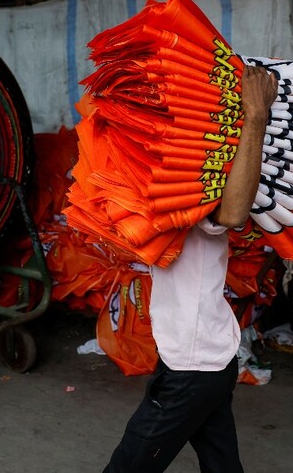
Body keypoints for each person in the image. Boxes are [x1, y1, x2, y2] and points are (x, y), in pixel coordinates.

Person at [103, 63, 278, 473]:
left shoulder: (197, 179)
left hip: (193, 365)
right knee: (221, 465)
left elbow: (233, 214)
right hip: (205, 357)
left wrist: (256, 117)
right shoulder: (171, 173)